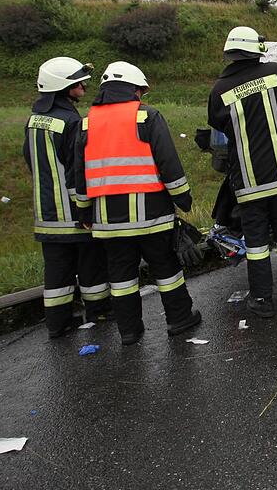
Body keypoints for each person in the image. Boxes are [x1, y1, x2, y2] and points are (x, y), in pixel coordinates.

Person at [74, 61, 200, 345]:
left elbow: (79, 175)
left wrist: (83, 211)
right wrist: (182, 197)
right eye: (140, 91)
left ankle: (129, 331)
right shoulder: (147, 117)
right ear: (133, 89)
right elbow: (168, 162)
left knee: (120, 278)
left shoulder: (86, 123)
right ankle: (179, 320)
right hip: (152, 215)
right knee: (166, 269)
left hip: (108, 221)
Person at [208, 26, 277, 318]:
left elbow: (217, 123)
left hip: (250, 181)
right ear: (257, 50)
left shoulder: (219, 90)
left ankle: (261, 300)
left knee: (256, 243)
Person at [24, 57, 111, 338]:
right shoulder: (71, 121)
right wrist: (84, 210)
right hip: (73, 214)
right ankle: (98, 313)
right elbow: (77, 169)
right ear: (63, 86)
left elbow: (30, 159)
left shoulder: (34, 120)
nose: (84, 84)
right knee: (91, 265)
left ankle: (57, 324)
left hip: (46, 215)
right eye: (77, 81)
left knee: (56, 273)